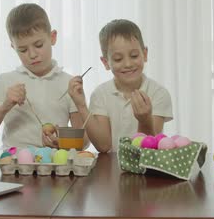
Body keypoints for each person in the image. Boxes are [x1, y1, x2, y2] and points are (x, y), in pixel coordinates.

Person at [0, 3, 84, 150]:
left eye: (38, 45)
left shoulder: (68, 83)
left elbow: (84, 143)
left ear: (52, 37)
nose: (32, 54)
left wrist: (63, 141)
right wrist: (5, 106)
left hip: (56, 165)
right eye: (23, 50)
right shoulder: (5, 81)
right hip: (15, 166)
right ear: (13, 47)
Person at [68, 19, 173, 152]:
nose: (128, 64)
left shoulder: (158, 93)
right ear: (106, 62)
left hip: (147, 169)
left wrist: (145, 120)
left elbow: (150, 148)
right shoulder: (100, 94)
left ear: (144, 54)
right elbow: (103, 146)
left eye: (134, 56)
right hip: (111, 170)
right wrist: (81, 106)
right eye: (118, 59)